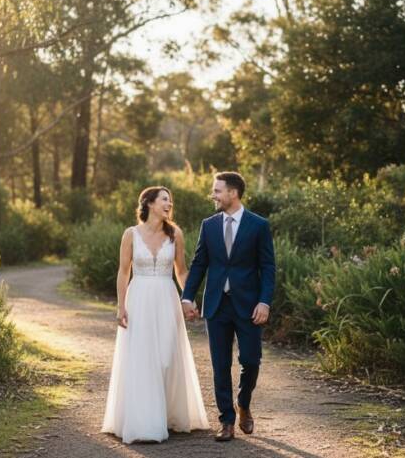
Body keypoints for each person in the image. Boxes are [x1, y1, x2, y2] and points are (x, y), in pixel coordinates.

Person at [101, 186, 210, 444]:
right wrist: (120, 306)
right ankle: (144, 421)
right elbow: (123, 272)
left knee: (165, 358)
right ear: (149, 203)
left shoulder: (176, 234)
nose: (169, 204)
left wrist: (189, 299)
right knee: (142, 357)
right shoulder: (130, 234)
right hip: (138, 298)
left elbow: (181, 271)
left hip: (166, 298)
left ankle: (170, 413)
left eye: (170, 200)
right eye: (164, 199)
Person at [180, 171, 276, 442]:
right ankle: (226, 420)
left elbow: (268, 267)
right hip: (217, 306)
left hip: (249, 306)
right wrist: (187, 296)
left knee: (250, 360)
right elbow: (199, 264)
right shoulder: (208, 225)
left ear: (233, 193)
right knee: (219, 365)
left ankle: (243, 402)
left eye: (217, 190)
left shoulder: (258, 225)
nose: (214, 195)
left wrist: (264, 301)